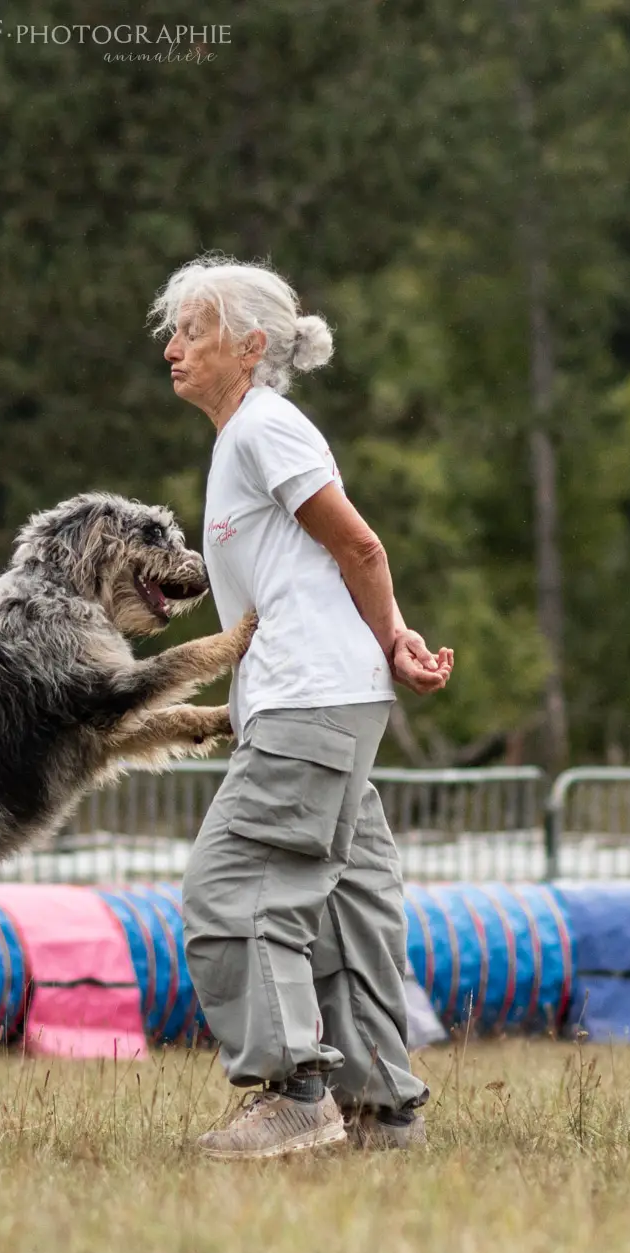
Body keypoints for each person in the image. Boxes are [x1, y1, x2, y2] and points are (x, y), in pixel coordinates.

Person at [151, 254, 453, 1158]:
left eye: (192, 330)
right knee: (347, 902)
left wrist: (396, 634)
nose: (172, 347)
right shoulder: (245, 437)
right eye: (172, 331)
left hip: (308, 700)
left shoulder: (263, 429)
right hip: (331, 699)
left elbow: (358, 545)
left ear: (249, 347)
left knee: (233, 888)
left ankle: (294, 1090)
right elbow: (305, 571)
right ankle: (382, 1109)